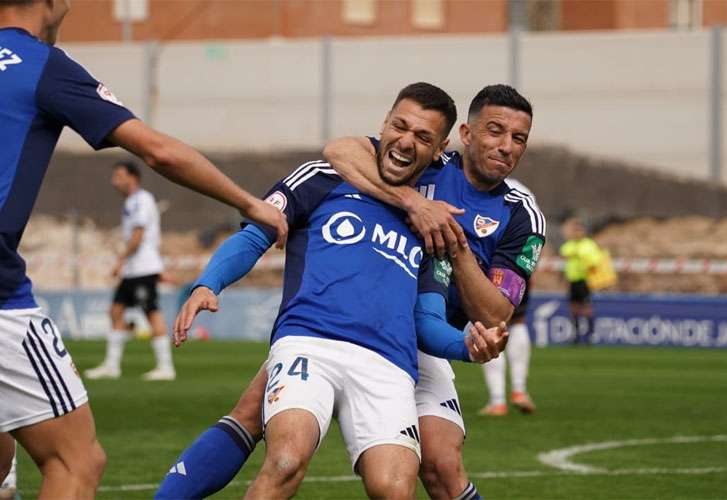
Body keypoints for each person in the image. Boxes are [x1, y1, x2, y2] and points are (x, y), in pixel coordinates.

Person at [157, 83, 508, 500]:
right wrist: (207, 283)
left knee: (395, 489)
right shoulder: (323, 179)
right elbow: (256, 236)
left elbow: (426, 319)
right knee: (286, 458)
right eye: (400, 126)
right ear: (384, 123)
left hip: (388, 364)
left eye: (423, 137)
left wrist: (468, 345)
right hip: (310, 344)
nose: (406, 141)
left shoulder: (431, 223)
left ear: (439, 150)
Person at [0, 1, 288, 497]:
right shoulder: (42, 65)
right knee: (76, 461)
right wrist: (251, 204)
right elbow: (159, 150)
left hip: (133, 266)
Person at [324, 84, 545, 499]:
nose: (506, 146)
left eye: (519, 139)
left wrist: (456, 244)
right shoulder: (427, 161)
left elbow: (496, 313)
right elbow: (340, 151)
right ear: (466, 133)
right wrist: (415, 204)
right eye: (495, 131)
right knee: (271, 437)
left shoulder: (521, 216)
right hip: (354, 324)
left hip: (428, 339)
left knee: (443, 467)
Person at [84, 161, 175, 381]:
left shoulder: (141, 200)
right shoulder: (132, 202)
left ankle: (165, 367)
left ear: (132, 177)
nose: (114, 181)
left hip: (142, 267)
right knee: (116, 311)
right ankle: (112, 365)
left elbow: (139, 234)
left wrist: (120, 260)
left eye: (119, 176)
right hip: (134, 269)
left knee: (151, 312)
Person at [478, 178, 538, 416]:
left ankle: (497, 400)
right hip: (517, 265)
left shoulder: (476, 187)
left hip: (485, 267)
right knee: (519, 322)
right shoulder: (523, 190)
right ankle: (520, 391)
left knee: (488, 325)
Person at [559, 217, 602, 345]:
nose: (578, 233)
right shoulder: (571, 244)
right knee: (574, 308)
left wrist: (579, 255)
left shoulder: (589, 244)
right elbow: (564, 252)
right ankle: (576, 335)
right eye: (576, 231)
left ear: (584, 232)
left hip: (584, 280)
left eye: (580, 231)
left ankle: (590, 335)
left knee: (586, 308)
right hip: (572, 280)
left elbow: (594, 260)